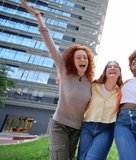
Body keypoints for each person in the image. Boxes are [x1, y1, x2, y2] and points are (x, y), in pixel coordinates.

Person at [20, 1, 95, 159]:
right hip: (59, 125)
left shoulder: (91, 83)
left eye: (85, 57)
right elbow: (49, 43)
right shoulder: (64, 70)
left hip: (77, 129)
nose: (83, 59)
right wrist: (38, 16)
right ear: (72, 61)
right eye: (79, 57)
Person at [78, 61, 123, 160]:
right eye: (109, 67)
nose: (112, 68)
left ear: (119, 73)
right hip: (87, 127)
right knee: (82, 158)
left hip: (107, 129)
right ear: (105, 72)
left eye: (116, 67)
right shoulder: (93, 86)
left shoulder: (122, 91)